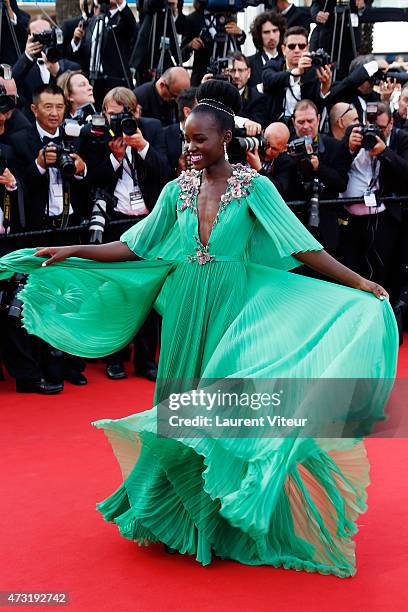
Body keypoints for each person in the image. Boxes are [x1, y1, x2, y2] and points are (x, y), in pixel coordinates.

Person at [0, 79, 397, 576]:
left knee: (219, 411)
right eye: (186, 139)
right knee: (178, 409)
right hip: (187, 308)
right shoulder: (175, 189)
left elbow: (303, 248)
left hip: (231, 313)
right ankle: (181, 514)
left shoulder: (255, 188)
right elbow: (135, 246)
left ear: (224, 139)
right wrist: (74, 249)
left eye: (199, 140)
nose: (189, 148)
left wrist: (360, 282)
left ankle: (220, 517)